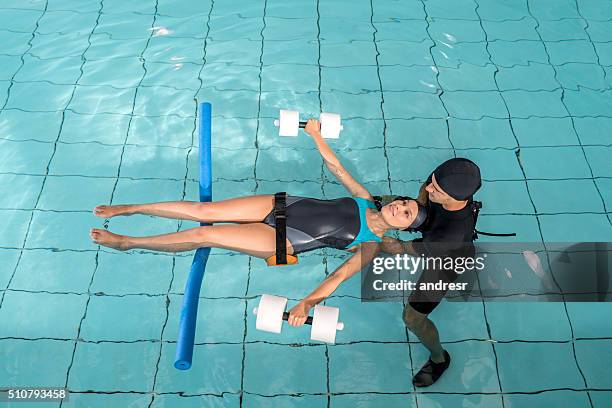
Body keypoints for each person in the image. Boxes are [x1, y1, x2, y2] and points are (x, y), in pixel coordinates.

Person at [90, 119, 427, 326]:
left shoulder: (369, 245)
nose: (400, 206)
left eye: (407, 212)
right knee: (202, 211)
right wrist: (315, 135)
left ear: (403, 227)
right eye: (403, 201)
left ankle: (128, 242)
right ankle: (131, 208)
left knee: (202, 235)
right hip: (281, 205)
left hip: (280, 240)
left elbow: (339, 276)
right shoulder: (365, 197)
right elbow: (337, 168)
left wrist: (308, 303)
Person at [381, 158, 481, 387]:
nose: (428, 187)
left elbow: (399, 248)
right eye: (432, 181)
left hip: (446, 262)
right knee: (390, 205)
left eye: (435, 188)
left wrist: (369, 235)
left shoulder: (449, 237)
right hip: (435, 236)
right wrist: (407, 212)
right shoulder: (447, 179)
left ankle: (439, 358)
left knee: (412, 318)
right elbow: (424, 191)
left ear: (456, 199)